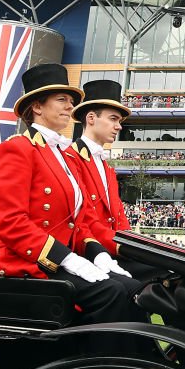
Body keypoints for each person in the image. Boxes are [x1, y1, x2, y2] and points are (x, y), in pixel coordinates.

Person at [0, 64, 143, 339]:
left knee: (129, 287)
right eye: (62, 100)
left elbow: (80, 223)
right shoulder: (16, 149)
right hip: (22, 263)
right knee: (112, 293)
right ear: (38, 107)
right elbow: (10, 222)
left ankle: (138, 367)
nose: (70, 107)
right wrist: (68, 260)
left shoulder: (64, 157)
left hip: (55, 260)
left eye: (71, 101)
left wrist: (98, 255)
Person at [71, 79, 153, 278]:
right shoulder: (70, 159)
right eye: (113, 119)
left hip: (112, 247)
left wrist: (133, 243)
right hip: (90, 252)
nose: (118, 127)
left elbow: (119, 218)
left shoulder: (107, 167)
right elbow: (85, 221)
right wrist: (127, 247)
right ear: (91, 118)